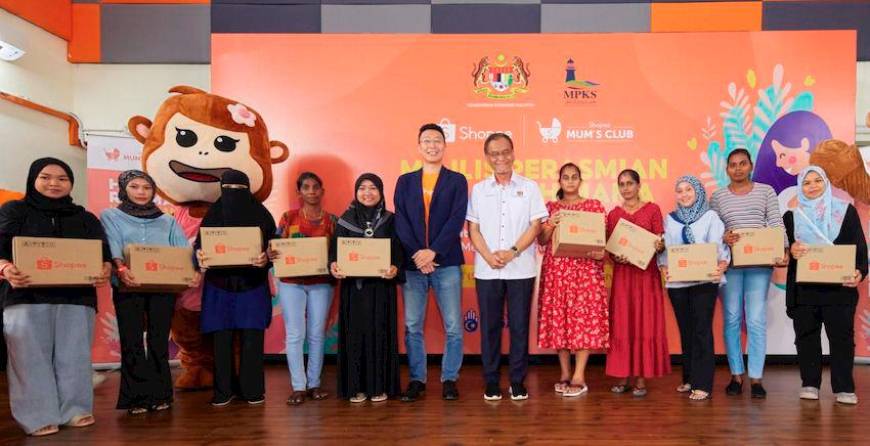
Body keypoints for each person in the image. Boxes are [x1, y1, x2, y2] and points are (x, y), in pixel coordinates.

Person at [0, 158, 111, 436]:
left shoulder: (85, 218)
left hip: (76, 298)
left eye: (62, 178)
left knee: (74, 356)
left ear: (70, 183)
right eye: (46, 177)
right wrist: (5, 268)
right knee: (28, 358)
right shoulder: (14, 211)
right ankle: (37, 416)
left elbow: (103, 254)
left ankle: (75, 409)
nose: (54, 183)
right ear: (33, 179)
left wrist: (105, 268)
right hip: (25, 296)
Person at [100, 170, 199, 415]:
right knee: (132, 340)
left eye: (146, 187)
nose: (141, 192)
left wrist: (192, 271)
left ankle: (160, 394)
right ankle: (135, 398)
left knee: (158, 342)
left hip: (163, 289)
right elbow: (112, 244)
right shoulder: (111, 216)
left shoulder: (167, 220)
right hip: (127, 285)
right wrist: (121, 268)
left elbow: (182, 250)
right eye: (135, 187)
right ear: (124, 189)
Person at [467, 133, 547, 401]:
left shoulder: (530, 187)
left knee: (519, 326)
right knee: (489, 327)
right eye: (494, 153)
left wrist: (512, 252)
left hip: (521, 269)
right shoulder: (479, 189)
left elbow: (536, 226)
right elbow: (473, 228)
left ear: (513, 153)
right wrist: (489, 255)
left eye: (504, 152)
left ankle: (516, 381)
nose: (500, 158)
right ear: (487, 157)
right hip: (487, 269)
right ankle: (491, 381)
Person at [394, 123, 468, 402]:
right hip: (414, 265)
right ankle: (417, 379)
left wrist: (433, 251)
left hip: (446, 262)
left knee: (453, 326)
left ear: (444, 145)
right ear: (419, 146)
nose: (432, 145)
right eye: (427, 141)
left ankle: (450, 378)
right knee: (413, 325)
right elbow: (401, 220)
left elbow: (456, 220)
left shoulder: (457, 180)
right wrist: (418, 254)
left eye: (437, 140)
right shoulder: (405, 181)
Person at [785, 166, 867, 405]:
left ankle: (844, 388)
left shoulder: (846, 212)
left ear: (826, 183)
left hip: (839, 290)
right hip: (805, 291)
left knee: (841, 338)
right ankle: (809, 384)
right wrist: (791, 249)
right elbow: (782, 252)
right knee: (806, 337)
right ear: (800, 187)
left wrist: (859, 271)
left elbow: (860, 248)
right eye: (807, 182)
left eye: (817, 180)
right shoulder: (791, 216)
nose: (812, 186)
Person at [710, 148, 787, 399]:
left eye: (743, 163)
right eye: (733, 165)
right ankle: (736, 375)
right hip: (730, 267)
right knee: (731, 319)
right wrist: (723, 236)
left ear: (750, 165)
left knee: (755, 320)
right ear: (727, 169)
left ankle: (756, 378)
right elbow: (713, 231)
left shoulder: (766, 192)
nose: (738, 168)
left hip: (759, 266)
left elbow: (776, 222)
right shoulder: (718, 196)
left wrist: (783, 249)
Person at [195, 170, 275, 406]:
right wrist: (199, 256)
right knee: (221, 340)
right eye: (229, 190)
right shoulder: (212, 215)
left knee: (252, 339)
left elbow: (276, 246)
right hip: (219, 287)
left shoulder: (262, 214)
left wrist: (266, 259)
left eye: (240, 190)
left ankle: (252, 390)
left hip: (252, 285)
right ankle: (223, 391)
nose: (234, 195)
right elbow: (199, 246)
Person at [330, 173, 404, 403]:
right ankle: (357, 387)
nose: (367, 192)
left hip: (381, 289)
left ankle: (379, 386)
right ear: (356, 192)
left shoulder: (391, 220)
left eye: (373, 188)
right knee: (355, 335)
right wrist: (334, 265)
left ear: (381, 192)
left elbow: (399, 251)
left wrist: (395, 267)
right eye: (362, 188)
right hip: (354, 290)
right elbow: (334, 253)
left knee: (380, 333)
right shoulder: (345, 220)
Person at [537, 163, 607, 397]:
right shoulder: (551, 208)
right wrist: (550, 224)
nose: (569, 181)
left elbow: (602, 240)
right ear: (559, 181)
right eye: (565, 177)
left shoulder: (594, 206)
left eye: (574, 177)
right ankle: (565, 373)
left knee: (582, 320)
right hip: (557, 272)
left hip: (585, 272)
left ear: (580, 180)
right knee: (561, 320)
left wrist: (601, 251)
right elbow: (543, 240)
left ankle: (579, 375)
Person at [659, 175, 729, 401]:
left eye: (689, 189)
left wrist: (722, 264)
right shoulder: (670, 219)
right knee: (686, 330)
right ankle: (688, 378)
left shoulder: (710, 217)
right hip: (678, 284)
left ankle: (703, 383)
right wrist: (663, 267)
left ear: (698, 191)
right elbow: (665, 250)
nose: (684, 194)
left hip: (704, 282)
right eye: (679, 190)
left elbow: (718, 247)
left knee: (701, 330)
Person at [273, 172, 336, 405]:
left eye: (315, 187)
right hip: (292, 283)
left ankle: (314, 384)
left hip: (321, 284)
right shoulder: (288, 218)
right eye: (306, 187)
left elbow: (337, 253)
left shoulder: (332, 221)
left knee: (317, 334)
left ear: (322, 191)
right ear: (298, 192)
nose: (311, 191)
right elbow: (275, 244)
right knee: (295, 334)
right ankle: (298, 387)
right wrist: (272, 251)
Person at [605, 169, 670, 397]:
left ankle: (641, 378)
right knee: (623, 323)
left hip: (646, 275)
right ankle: (622, 375)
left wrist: (659, 246)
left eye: (630, 183)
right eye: (621, 184)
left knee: (644, 322)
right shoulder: (613, 214)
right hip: (623, 276)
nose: (626, 188)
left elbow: (660, 241)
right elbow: (611, 248)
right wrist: (616, 256)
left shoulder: (652, 210)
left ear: (638, 185)